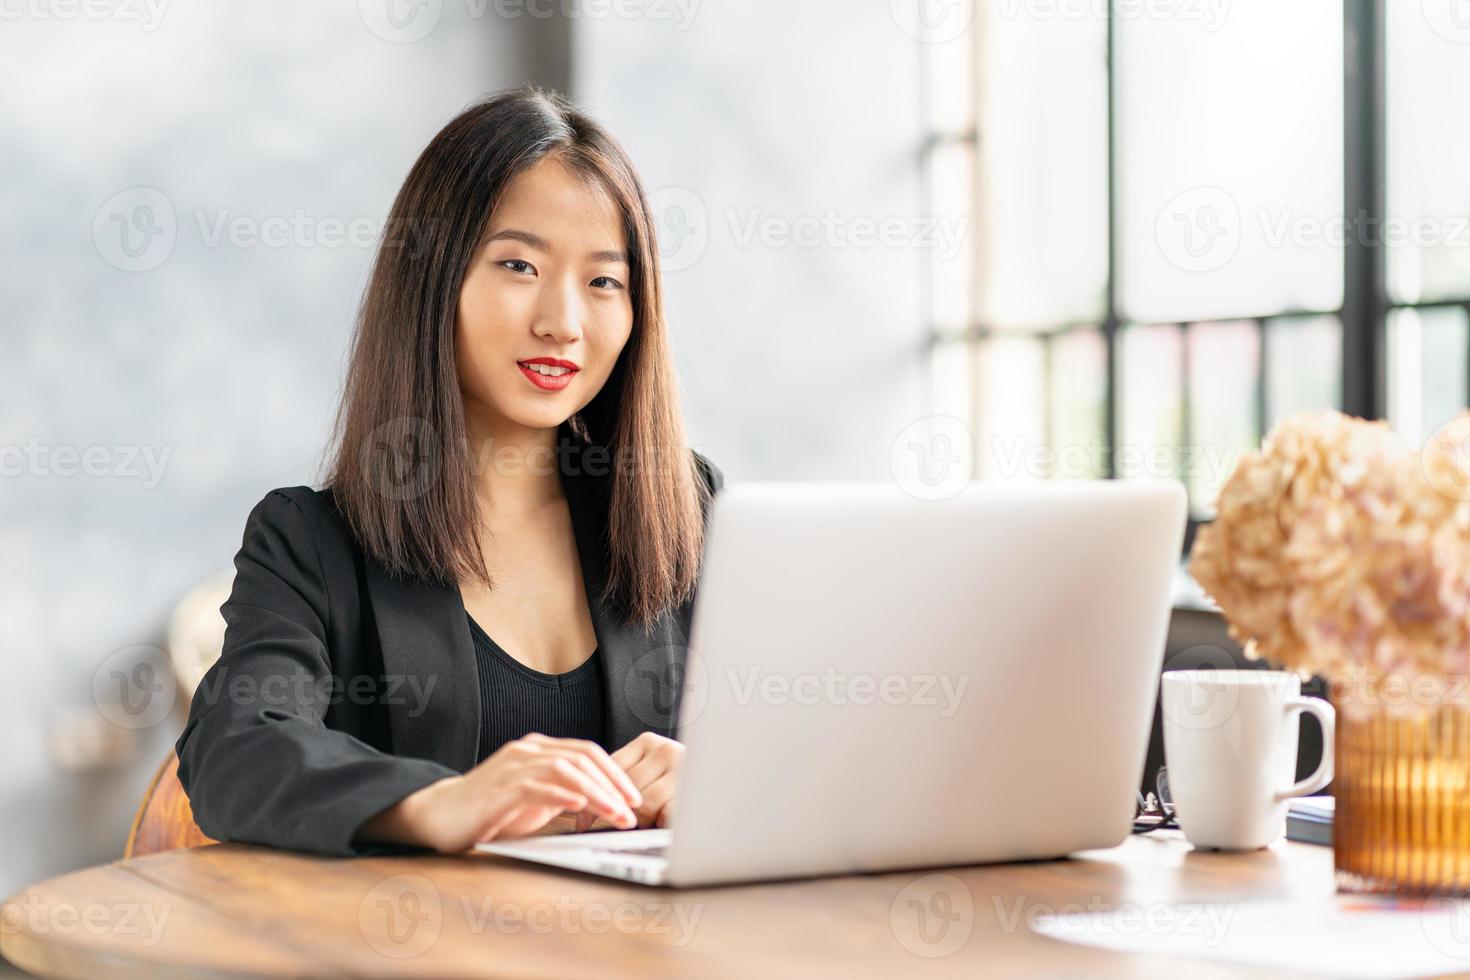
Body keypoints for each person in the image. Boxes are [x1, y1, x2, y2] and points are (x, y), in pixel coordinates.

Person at [175, 86, 723, 856]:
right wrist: (442, 801)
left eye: (605, 280)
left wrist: (720, 782)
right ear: (432, 280)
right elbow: (233, 751)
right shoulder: (310, 543)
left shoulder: (694, 514)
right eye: (518, 264)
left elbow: (818, 747)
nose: (562, 322)